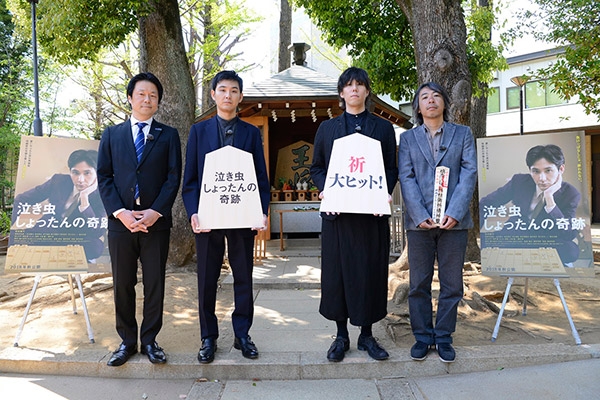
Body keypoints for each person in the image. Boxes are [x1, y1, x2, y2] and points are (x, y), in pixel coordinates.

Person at [181, 70, 270, 364]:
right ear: (213, 95)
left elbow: (260, 177)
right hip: (208, 219)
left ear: (240, 97)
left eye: (234, 91)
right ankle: (208, 337)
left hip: (242, 217)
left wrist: (262, 211)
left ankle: (242, 334)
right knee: (207, 278)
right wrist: (193, 212)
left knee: (243, 276)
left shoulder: (250, 133)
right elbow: (190, 179)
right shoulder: (199, 132)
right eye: (222, 90)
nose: (228, 95)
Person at [309, 67, 397, 362]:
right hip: (338, 216)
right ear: (341, 92)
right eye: (349, 85)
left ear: (367, 91)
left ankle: (368, 335)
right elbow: (317, 168)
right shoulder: (328, 128)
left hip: (370, 216)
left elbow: (391, 168)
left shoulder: (383, 128)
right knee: (338, 275)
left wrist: (385, 190)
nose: (355, 89)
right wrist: (326, 190)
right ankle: (341, 335)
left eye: (360, 84)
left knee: (370, 273)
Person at [97, 72, 182, 367]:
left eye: (153, 96)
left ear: (158, 102)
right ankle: (126, 341)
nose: (147, 100)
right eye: (142, 94)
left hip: (155, 223)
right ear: (131, 97)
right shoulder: (112, 135)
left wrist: (154, 211)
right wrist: (120, 213)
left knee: (155, 283)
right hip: (120, 224)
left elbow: (173, 179)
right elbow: (104, 177)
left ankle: (150, 341)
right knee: (122, 283)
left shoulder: (168, 135)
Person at [398, 82, 477, 363]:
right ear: (418, 107)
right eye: (424, 97)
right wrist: (419, 215)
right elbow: (406, 178)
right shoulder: (408, 139)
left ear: (444, 102)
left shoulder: (462, 134)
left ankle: (443, 336)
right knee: (418, 282)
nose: (430, 101)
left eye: (436, 96)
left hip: (453, 223)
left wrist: (454, 211)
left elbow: (469, 173)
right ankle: (422, 336)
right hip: (419, 224)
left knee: (452, 283)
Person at [479, 144, 581, 265]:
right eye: (535, 171)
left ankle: (521, 253)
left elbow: (568, 234)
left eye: (548, 171)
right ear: (530, 170)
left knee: (571, 251)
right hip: (517, 235)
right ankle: (528, 254)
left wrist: (549, 199)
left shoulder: (571, 193)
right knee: (483, 241)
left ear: (561, 169)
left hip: (546, 239)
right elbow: (487, 203)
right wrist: (478, 229)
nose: (542, 178)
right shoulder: (520, 182)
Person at [11, 149, 106, 262]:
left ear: (97, 173)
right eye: (75, 173)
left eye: (87, 173)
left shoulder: (103, 193)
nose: (80, 179)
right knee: (16, 237)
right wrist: (14, 225)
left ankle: (56, 249)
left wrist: (85, 200)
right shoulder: (58, 181)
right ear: (70, 171)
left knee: (95, 248)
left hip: (79, 235)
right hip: (52, 229)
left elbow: (97, 231)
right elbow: (21, 200)